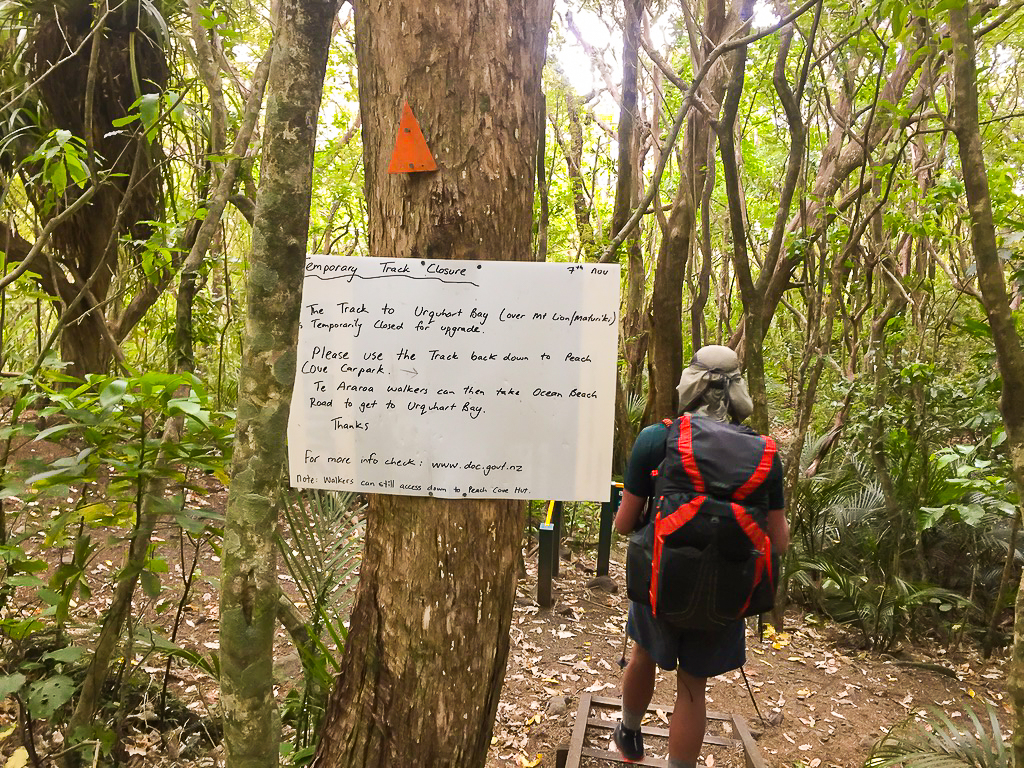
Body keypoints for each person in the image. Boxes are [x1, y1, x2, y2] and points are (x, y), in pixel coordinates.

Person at [612, 345, 789, 768]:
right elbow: (777, 542)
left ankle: (630, 734)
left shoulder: (658, 438)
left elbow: (623, 524)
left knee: (643, 654)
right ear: (739, 390)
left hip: (661, 582)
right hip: (727, 591)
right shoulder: (764, 453)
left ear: (689, 384)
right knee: (693, 687)